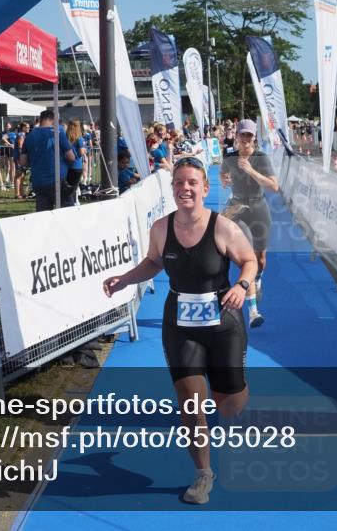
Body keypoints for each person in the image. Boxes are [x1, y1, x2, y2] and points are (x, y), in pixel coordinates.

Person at [103, 157, 257, 505]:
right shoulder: (161, 228)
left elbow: (250, 259)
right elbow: (154, 262)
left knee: (228, 405)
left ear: (205, 188)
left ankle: (236, 385)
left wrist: (242, 285)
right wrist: (124, 280)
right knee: (191, 404)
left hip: (223, 321)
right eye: (178, 183)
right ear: (172, 189)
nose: (185, 189)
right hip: (180, 324)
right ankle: (203, 475)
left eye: (191, 183)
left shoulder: (222, 227)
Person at [219, 119, 277, 328]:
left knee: (260, 259)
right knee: (249, 258)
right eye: (242, 135)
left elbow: (274, 186)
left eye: (249, 135)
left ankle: (259, 277)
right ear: (237, 136)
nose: (245, 139)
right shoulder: (230, 157)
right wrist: (224, 180)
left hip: (259, 208)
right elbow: (222, 173)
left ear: (254, 138)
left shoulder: (261, 158)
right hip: (238, 210)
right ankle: (253, 311)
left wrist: (251, 170)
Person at [20, 110, 76, 211]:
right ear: (53, 120)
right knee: (68, 213)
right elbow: (71, 157)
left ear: (40, 120)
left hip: (38, 182)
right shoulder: (58, 134)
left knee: (43, 217)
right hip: (57, 180)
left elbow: (23, 161)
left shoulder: (29, 136)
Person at [13, 122, 30, 199]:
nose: (28, 128)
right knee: (18, 176)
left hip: (21, 158)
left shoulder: (23, 135)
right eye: (27, 127)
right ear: (23, 128)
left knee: (22, 176)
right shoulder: (21, 135)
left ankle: (22, 193)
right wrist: (21, 158)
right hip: (19, 158)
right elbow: (20, 147)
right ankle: (17, 194)